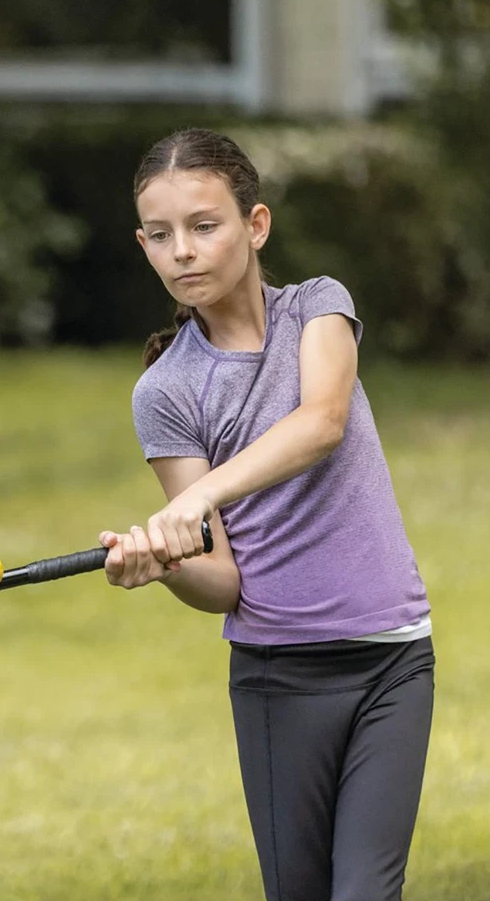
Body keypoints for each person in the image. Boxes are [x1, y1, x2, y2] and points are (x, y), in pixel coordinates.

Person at [99, 128, 434, 901]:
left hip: (394, 658)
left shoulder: (318, 308)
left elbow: (322, 422)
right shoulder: (167, 393)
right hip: (281, 677)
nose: (181, 251)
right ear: (143, 243)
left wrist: (199, 498)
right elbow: (224, 581)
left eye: (203, 225)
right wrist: (166, 564)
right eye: (160, 235)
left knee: (367, 892)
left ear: (255, 225)